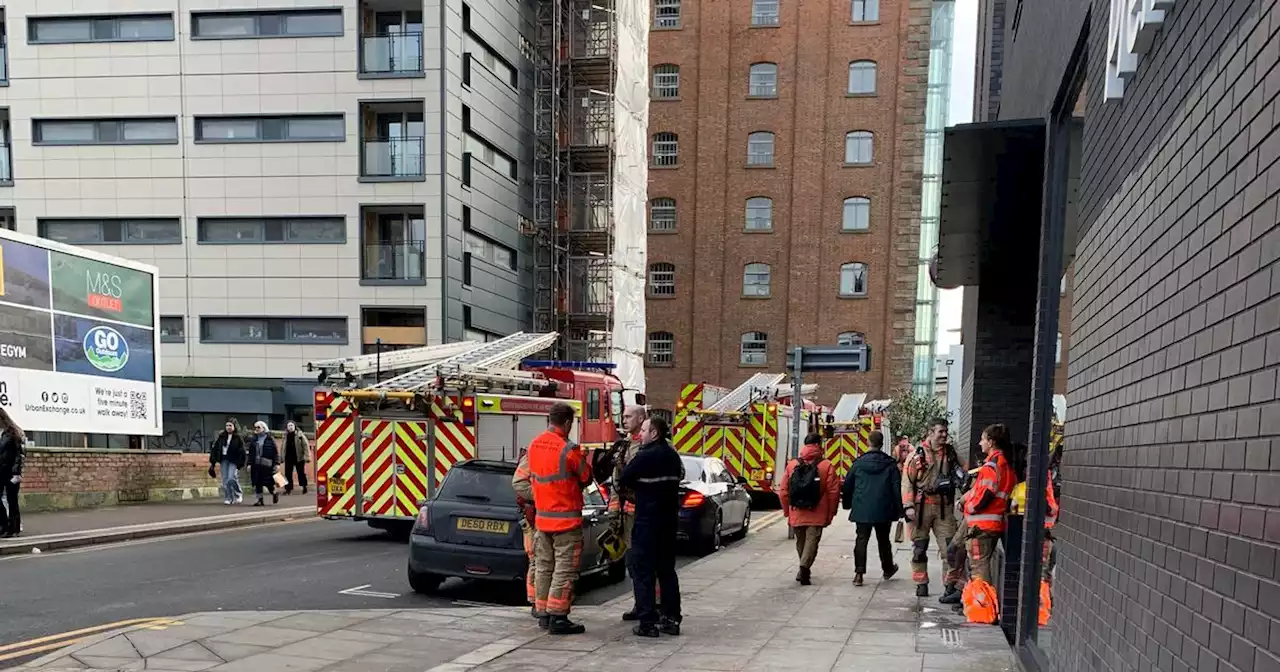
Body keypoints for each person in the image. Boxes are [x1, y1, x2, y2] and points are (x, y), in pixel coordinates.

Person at [529, 402, 593, 635]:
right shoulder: (569, 449)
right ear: (567, 423)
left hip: (542, 520)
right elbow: (586, 477)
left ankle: (543, 614)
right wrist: (585, 458)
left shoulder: (534, 445)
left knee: (544, 568)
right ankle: (559, 617)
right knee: (564, 570)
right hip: (566, 522)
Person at [619, 415, 684, 637]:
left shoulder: (644, 456)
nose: (642, 435)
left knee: (643, 570)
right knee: (666, 571)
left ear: (654, 433)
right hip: (668, 522)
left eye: (645, 431)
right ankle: (672, 619)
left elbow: (624, 478)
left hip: (647, 521)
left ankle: (647, 622)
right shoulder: (673, 457)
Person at [902, 418, 965, 598]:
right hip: (921, 510)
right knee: (919, 549)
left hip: (944, 509)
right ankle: (921, 583)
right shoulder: (916, 456)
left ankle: (950, 585)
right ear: (930, 432)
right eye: (941, 432)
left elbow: (965, 473)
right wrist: (908, 506)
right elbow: (907, 482)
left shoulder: (951, 453)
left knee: (951, 549)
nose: (945, 435)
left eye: (946, 431)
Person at [778, 433, 841, 586]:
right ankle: (804, 568)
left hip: (797, 510)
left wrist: (787, 511)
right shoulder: (826, 465)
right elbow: (833, 492)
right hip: (817, 512)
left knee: (801, 541)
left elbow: (783, 491)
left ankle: (803, 567)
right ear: (819, 445)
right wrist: (831, 513)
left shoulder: (793, 464)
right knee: (812, 541)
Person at [841, 430, 902, 587]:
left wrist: (847, 504)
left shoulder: (859, 463)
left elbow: (847, 485)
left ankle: (859, 574)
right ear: (881, 444)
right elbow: (896, 488)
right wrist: (899, 510)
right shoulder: (890, 464)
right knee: (883, 540)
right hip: (884, 508)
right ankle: (888, 569)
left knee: (861, 539)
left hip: (862, 507)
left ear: (868, 442)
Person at [962, 424, 1019, 585]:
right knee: (980, 565)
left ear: (991, 442)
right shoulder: (1006, 466)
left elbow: (986, 494)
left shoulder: (991, 467)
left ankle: (983, 607)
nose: (980, 443)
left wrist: (969, 508)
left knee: (979, 568)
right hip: (995, 523)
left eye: (983, 439)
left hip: (981, 525)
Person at [610, 405, 647, 621]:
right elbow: (616, 484)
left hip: (643, 517)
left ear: (642, 419)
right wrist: (614, 514)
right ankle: (639, 603)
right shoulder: (625, 446)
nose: (624, 420)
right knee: (632, 564)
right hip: (627, 517)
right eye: (622, 416)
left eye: (628, 416)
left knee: (644, 564)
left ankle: (651, 605)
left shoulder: (647, 447)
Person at [511, 446, 538, 616]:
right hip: (533, 518)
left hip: (532, 516)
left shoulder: (532, 457)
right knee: (536, 560)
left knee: (535, 560)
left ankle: (536, 600)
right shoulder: (533, 457)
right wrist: (543, 494)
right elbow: (519, 483)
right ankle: (536, 601)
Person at [0, 408, 26, 538]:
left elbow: (18, 455)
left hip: (10, 471)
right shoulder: (1, 434)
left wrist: (16, 472)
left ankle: (13, 527)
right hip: (1, 471)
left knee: (12, 500)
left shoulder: (12, 433)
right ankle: (4, 525)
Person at [210, 420, 247, 505]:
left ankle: (238, 494)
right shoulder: (221, 437)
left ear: (234, 427)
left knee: (231, 478)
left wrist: (240, 462)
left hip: (233, 460)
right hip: (224, 460)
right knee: (225, 480)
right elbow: (215, 449)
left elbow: (242, 451)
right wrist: (213, 461)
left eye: (230, 425)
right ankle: (228, 497)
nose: (228, 427)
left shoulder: (238, 438)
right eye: (227, 425)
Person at [247, 421, 281, 506]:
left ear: (263, 428)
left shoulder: (270, 439)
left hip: (267, 465)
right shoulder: (254, 439)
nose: (257, 429)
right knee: (257, 482)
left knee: (268, 482)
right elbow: (251, 453)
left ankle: (274, 492)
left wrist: (277, 463)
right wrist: (249, 464)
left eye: (259, 427)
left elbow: (275, 452)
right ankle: (260, 500)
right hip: (256, 464)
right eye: (255, 427)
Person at [281, 421, 311, 495]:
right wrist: (281, 457)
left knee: (301, 473)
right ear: (287, 427)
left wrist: (307, 456)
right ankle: (288, 489)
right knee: (288, 474)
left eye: (291, 425)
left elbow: (305, 445)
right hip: (288, 457)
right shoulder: (285, 436)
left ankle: (304, 487)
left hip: (299, 457)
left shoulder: (299, 435)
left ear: (294, 426)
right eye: (289, 426)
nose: (290, 427)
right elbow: (283, 447)